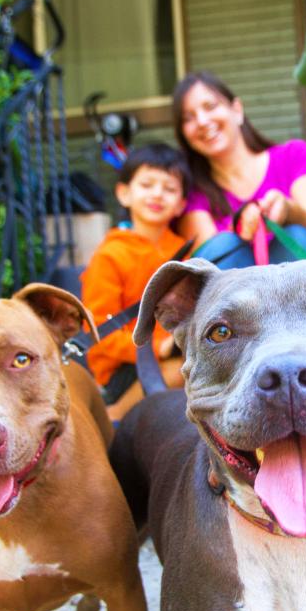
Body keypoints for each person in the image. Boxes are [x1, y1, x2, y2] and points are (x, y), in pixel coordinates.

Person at [172, 70, 306, 266]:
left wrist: (291, 213)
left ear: (237, 110)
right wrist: (240, 228)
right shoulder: (190, 191)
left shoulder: (294, 156)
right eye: (188, 118)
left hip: (302, 290)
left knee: (297, 235)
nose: (202, 121)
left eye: (210, 106)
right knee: (224, 245)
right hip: (237, 293)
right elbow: (209, 268)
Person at [81, 143, 189, 421]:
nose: (157, 194)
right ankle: (113, 418)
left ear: (181, 205)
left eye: (169, 188)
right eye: (147, 184)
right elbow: (96, 333)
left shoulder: (185, 251)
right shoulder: (111, 254)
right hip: (123, 370)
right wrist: (157, 347)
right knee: (180, 371)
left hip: (176, 356)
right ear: (124, 193)